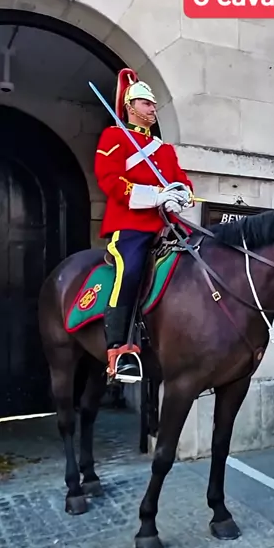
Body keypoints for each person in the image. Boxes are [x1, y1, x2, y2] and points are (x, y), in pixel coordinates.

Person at [94, 67, 194, 384]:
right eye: (146, 104)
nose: (153, 109)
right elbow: (109, 179)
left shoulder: (164, 149)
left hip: (167, 226)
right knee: (131, 271)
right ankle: (118, 350)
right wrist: (154, 196)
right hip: (131, 225)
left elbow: (183, 181)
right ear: (130, 107)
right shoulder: (114, 137)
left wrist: (181, 196)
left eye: (153, 104)